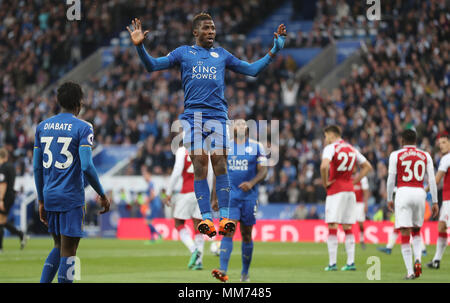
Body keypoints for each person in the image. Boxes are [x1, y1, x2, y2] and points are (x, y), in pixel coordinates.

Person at [127, 14, 286, 238]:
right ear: (195, 32)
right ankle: (206, 219)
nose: (211, 31)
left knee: (219, 163)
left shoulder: (222, 55)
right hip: (194, 117)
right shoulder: (183, 53)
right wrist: (140, 47)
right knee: (200, 161)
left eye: (213, 28)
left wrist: (274, 51)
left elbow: (251, 70)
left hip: (219, 116)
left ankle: (224, 218)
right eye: (206, 28)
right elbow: (152, 65)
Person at [34, 82, 110, 283]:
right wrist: (102, 194)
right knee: (69, 251)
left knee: (58, 246)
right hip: (70, 197)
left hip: (50, 195)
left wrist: (41, 200)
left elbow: (37, 168)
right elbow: (86, 165)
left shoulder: (42, 127)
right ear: (79, 103)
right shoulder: (84, 128)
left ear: (59, 101)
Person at [211, 119, 268, 282]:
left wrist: (251, 183)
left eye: (244, 124)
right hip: (230, 198)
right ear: (233, 129)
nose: (241, 126)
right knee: (228, 231)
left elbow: (264, 170)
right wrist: (214, 197)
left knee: (247, 235)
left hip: (249, 198)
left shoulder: (257, 147)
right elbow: (218, 173)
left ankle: (245, 273)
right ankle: (222, 270)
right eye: (238, 124)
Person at [386, 129, 439, 280]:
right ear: (416, 141)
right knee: (416, 231)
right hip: (419, 193)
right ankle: (418, 260)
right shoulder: (425, 155)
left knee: (404, 232)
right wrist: (434, 201)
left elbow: (391, 180)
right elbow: (432, 181)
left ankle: (410, 271)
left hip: (403, 192)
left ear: (402, 140)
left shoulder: (395, 155)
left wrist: (389, 198)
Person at [320, 125, 373, 272]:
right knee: (348, 227)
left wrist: (325, 183)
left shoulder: (331, 148)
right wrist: (354, 181)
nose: (325, 140)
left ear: (330, 135)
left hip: (336, 190)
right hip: (350, 192)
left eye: (325, 137)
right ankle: (350, 263)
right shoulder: (352, 148)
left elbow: (324, 166)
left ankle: (332, 264)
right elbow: (367, 166)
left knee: (332, 226)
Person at [164, 140, 213, 270]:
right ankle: (199, 262)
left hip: (187, 192)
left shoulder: (182, 151)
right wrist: (209, 195)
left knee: (178, 223)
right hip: (202, 193)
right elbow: (210, 174)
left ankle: (193, 250)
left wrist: (168, 192)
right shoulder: (205, 152)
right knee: (198, 226)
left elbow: (176, 172)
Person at [427, 133, 450, 269]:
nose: (441, 145)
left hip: (449, 201)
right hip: (447, 200)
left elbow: (436, 180)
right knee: (441, 227)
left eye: (444, 142)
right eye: (440, 143)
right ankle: (436, 260)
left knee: (442, 226)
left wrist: (423, 190)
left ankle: (436, 260)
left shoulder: (446, 158)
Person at [0, 148, 28, 252]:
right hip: (11, 195)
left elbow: (3, 184)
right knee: (2, 221)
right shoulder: (11, 166)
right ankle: (20, 234)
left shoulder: (3, 167)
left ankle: (0, 248)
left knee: (1, 221)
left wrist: (1, 199)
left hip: (5, 196)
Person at [142, 167, 162, 244]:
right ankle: (154, 237)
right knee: (148, 221)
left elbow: (153, 195)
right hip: (154, 204)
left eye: (145, 175)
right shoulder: (151, 183)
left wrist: (146, 201)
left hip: (154, 205)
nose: (144, 177)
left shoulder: (151, 184)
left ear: (149, 175)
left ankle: (156, 236)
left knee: (147, 221)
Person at [353, 168, 370, 250]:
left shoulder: (363, 178)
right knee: (348, 224)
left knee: (360, 224)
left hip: (359, 203)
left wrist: (366, 204)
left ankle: (362, 239)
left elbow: (366, 192)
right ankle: (349, 242)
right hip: (350, 203)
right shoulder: (348, 176)